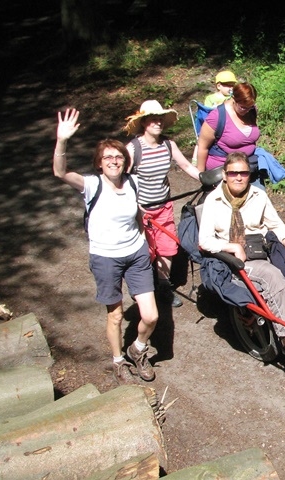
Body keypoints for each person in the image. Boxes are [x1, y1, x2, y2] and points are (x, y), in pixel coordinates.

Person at [52, 108, 158, 385]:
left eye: (118, 156)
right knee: (116, 314)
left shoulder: (133, 182)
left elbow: (136, 211)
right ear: (99, 163)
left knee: (151, 315)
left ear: (125, 162)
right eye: (107, 157)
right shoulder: (91, 185)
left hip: (135, 253)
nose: (114, 161)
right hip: (105, 257)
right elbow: (60, 172)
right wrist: (62, 140)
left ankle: (138, 349)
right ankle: (118, 360)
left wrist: (144, 217)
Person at [198, 152, 285, 355]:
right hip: (235, 258)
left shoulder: (259, 196)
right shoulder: (213, 201)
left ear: (249, 174)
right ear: (225, 175)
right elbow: (204, 240)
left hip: (262, 248)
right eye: (233, 173)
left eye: (243, 173)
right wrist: (232, 247)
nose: (238, 177)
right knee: (271, 275)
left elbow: (276, 224)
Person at [123, 100, 201, 308]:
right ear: (144, 123)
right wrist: (133, 206)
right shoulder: (133, 149)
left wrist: (206, 179)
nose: (157, 123)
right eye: (153, 119)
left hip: (164, 205)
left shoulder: (168, 144)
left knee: (167, 248)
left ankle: (163, 286)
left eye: (160, 119)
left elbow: (185, 165)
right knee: (145, 251)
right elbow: (123, 180)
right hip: (141, 210)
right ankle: (142, 289)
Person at [195, 83, 262, 187]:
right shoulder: (216, 117)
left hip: (248, 168)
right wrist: (201, 175)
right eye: (243, 107)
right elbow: (202, 147)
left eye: (250, 107)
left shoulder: (251, 111)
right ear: (234, 99)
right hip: (223, 172)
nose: (247, 110)